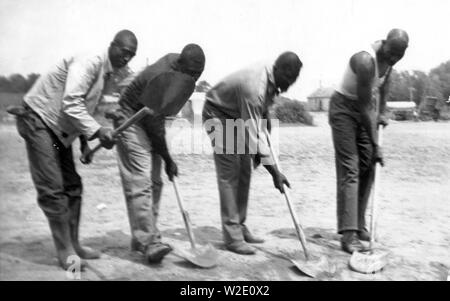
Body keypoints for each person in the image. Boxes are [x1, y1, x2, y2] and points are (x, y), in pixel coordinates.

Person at [8, 30, 138, 270]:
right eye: (124, 52)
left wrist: (86, 143)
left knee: (73, 185)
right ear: (112, 46)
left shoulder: (107, 73)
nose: (126, 58)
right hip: (38, 121)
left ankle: (74, 243)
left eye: (131, 55)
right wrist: (99, 132)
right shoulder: (91, 61)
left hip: (58, 131)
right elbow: (71, 103)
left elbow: (84, 109)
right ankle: (65, 251)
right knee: (53, 188)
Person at [111, 44, 205, 264]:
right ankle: (148, 241)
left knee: (155, 182)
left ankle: (144, 236)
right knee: (141, 179)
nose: (193, 78)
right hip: (130, 116)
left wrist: (165, 159)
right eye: (191, 73)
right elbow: (153, 124)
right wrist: (168, 159)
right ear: (181, 64)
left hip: (150, 117)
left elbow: (159, 117)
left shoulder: (182, 72)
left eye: (197, 75)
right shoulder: (162, 76)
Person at [202, 52, 302, 255]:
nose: (290, 84)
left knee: (245, 171)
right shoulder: (254, 87)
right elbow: (254, 134)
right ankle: (232, 237)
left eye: (294, 80)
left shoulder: (273, 78)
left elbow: (262, 116)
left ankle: (239, 225)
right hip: (218, 114)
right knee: (230, 174)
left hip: (238, 115)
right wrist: (275, 173)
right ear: (279, 69)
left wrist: (263, 147)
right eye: (288, 78)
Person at [329, 29, 409, 253]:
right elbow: (364, 107)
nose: (393, 59)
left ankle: (359, 222)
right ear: (384, 44)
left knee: (369, 165)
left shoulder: (391, 58)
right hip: (344, 108)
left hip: (365, 108)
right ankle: (349, 234)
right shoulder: (365, 60)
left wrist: (382, 112)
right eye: (391, 53)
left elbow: (384, 85)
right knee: (351, 168)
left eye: (398, 56)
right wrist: (377, 144)